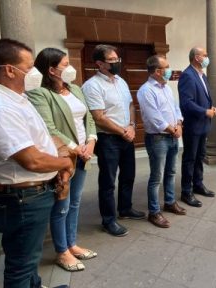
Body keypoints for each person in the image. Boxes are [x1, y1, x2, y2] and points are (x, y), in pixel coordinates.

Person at [0, 38, 72, 288]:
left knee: (29, 255)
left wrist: (59, 152)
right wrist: (64, 162)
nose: (34, 73)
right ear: (9, 69)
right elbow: (31, 160)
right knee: (20, 265)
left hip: (31, 193)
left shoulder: (16, 99)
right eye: (29, 67)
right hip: (22, 197)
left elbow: (40, 138)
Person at [27, 48, 98, 272]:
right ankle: (62, 251)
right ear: (51, 69)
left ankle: (72, 243)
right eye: (65, 65)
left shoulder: (75, 89)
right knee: (61, 204)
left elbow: (89, 120)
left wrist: (91, 141)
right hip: (63, 156)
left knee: (75, 202)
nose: (70, 69)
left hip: (83, 153)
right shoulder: (40, 93)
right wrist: (76, 148)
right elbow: (49, 127)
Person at [82, 44, 145, 237]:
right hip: (108, 138)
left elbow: (130, 106)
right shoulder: (92, 86)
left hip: (127, 134)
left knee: (128, 175)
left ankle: (125, 209)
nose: (117, 63)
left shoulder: (121, 81)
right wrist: (122, 131)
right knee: (108, 181)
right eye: (112, 61)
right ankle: (109, 220)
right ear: (100, 63)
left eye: (118, 59)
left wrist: (132, 126)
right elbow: (98, 117)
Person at [137, 55, 187, 228]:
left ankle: (170, 201)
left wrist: (179, 124)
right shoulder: (146, 90)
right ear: (157, 71)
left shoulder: (165, 88)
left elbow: (175, 108)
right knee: (156, 176)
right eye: (166, 67)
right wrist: (172, 129)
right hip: (158, 138)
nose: (169, 70)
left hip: (173, 135)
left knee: (171, 172)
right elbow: (154, 117)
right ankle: (154, 212)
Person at [177, 47, 216, 207]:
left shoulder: (202, 75)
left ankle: (198, 184)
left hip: (203, 125)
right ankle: (186, 192)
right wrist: (205, 111)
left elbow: (205, 97)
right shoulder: (187, 75)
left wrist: (211, 107)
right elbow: (186, 103)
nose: (207, 58)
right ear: (196, 58)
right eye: (205, 55)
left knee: (200, 156)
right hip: (193, 125)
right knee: (190, 158)